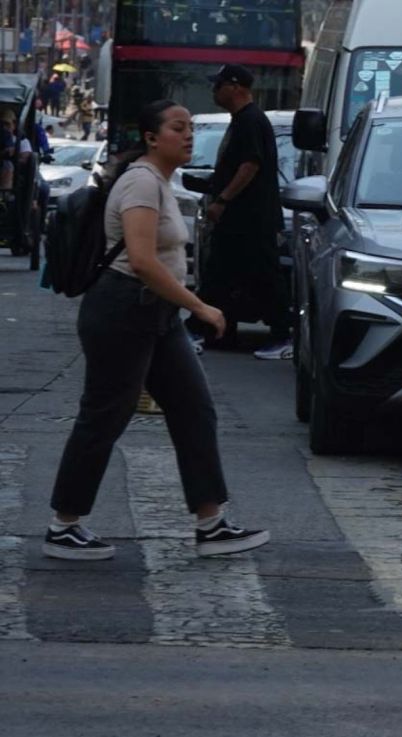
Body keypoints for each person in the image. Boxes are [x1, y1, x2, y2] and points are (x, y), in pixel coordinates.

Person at [43, 99, 270, 560]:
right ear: (151, 137)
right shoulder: (141, 182)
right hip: (123, 310)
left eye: (190, 128)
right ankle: (64, 525)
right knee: (104, 415)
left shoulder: (161, 182)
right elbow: (143, 262)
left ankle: (211, 522)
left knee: (195, 410)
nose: (188, 135)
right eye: (178, 128)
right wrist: (201, 307)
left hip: (156, 315)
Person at [191, 64, 290, 359]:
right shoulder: (243, 120)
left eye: (218, 84)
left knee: (262, 276)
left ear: (234, 87)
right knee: (222, 274)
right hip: (241, 218)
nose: (213, 90)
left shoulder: (250, 121)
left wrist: (222, 200)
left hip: (250, 218)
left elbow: (250, 164)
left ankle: (283, 335)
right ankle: (209, 328)